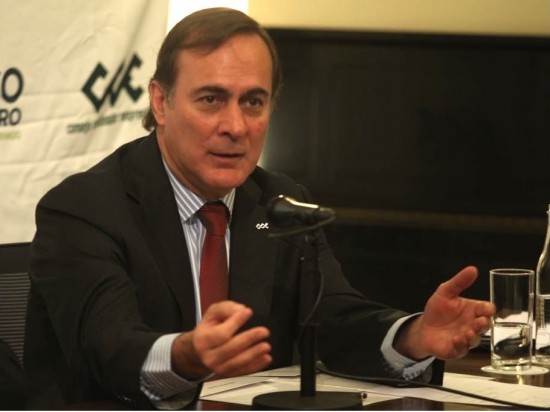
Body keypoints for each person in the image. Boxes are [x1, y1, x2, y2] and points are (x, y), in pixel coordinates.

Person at [24, 7, 495, 409]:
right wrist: (187, 356)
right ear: (161, 102)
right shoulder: (84, 209)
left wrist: (413, 336)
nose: (235, 126)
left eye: (253, 102)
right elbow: (107, 349)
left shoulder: (277, 200)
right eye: (211, 99)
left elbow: (332, 319)